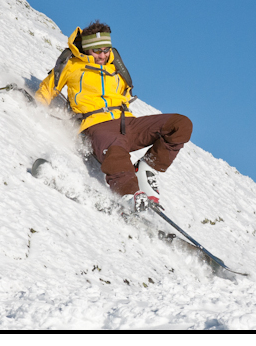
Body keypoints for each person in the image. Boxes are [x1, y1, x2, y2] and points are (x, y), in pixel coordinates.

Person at [35, 20, 193, 212]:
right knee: (116, 151)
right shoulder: (72, 66)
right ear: (87, 49)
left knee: (181, 124)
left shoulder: (115, 67)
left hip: (128, 123)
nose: (103, 55)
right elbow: (48, 87)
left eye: (106, 49)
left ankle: (147, 168)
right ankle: (129, 193)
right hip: (96, 126)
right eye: (97, 51)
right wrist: (35, 107)